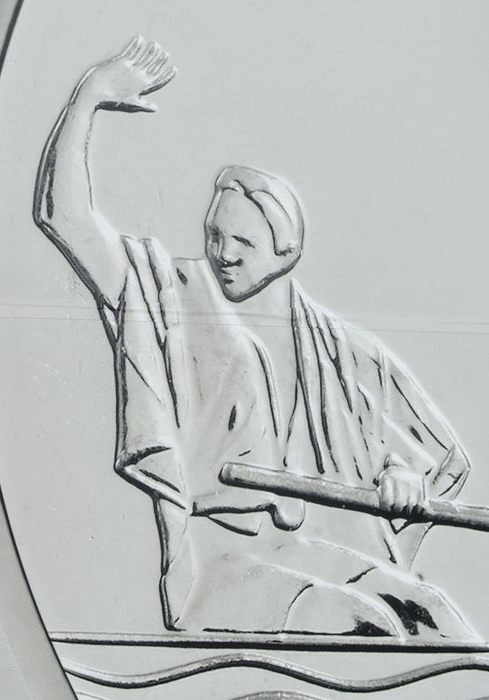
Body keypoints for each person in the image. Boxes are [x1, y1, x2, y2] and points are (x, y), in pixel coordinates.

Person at [34, 37, 475, 640]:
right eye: (216, 236)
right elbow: (66, 219)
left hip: (308, 551)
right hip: (222, 564)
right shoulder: (171, 293)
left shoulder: (340, 351)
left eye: (241, 244)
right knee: (366, 623)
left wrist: (404, 477)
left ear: (286, 248)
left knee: (437, 618)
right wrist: (87, 99)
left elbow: (431, 459)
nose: (222, 254)